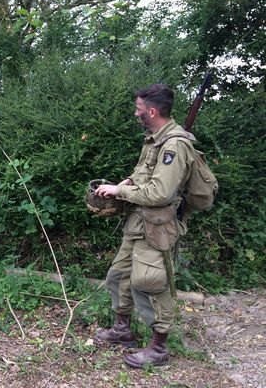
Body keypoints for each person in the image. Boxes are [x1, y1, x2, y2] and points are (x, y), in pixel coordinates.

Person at [93, 84, 197, 368]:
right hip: (138, 224)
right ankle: (122, 329)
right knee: (119, 276)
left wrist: (118, 191)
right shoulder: (154, 139)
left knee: (151, 284)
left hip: (157, 226)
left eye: (138, 108)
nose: (136, 113)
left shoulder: (174, 145)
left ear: (151, 111)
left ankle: (159, 348)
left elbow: (159, 193)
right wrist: (128, 181)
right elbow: (144, 175)